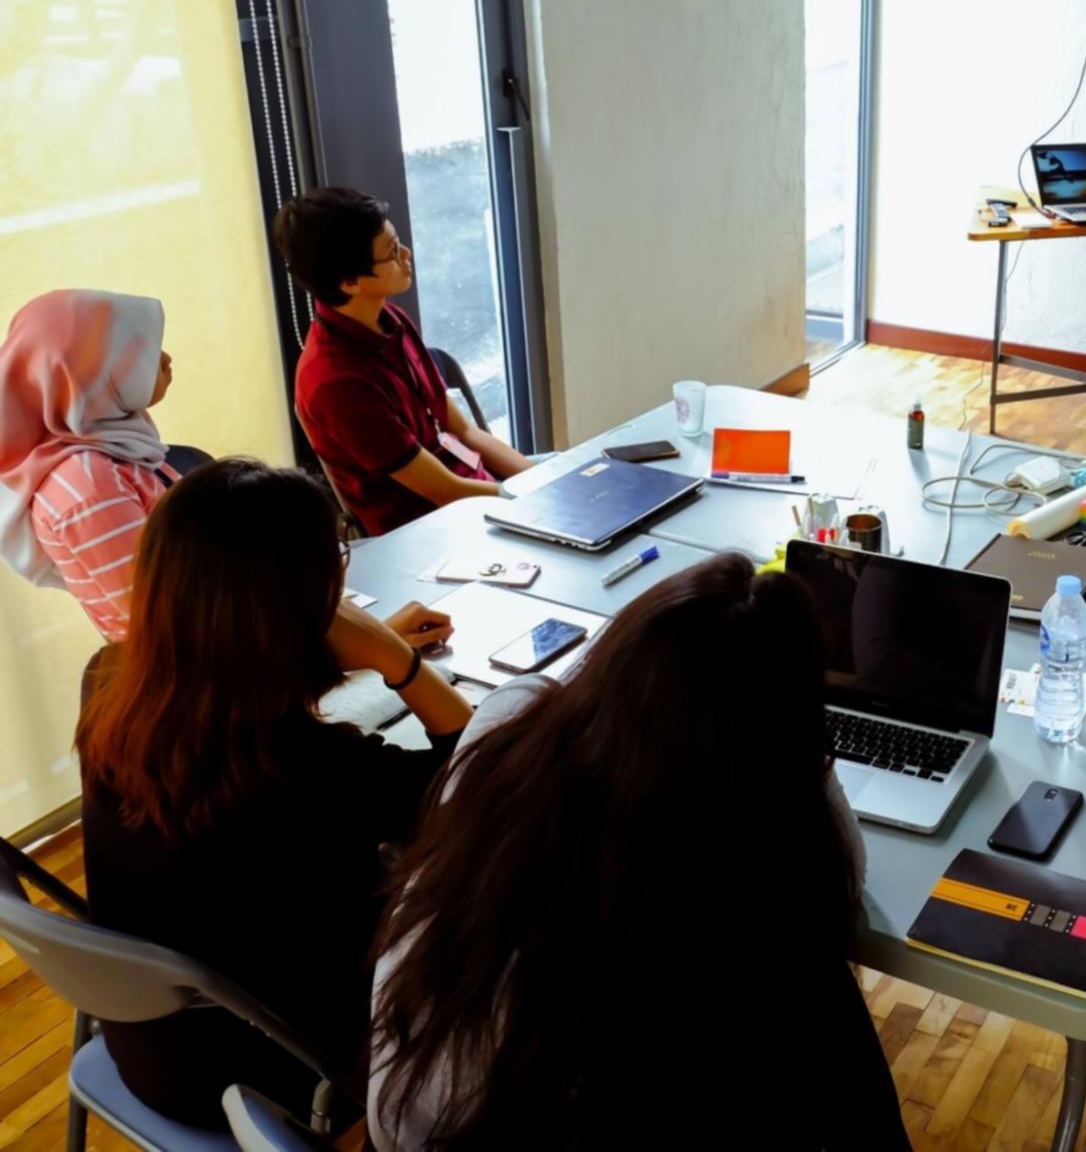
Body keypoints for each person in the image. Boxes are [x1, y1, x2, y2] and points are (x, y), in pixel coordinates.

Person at [368, 553, 906, 1151]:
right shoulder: (694, 886)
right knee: (813, 978)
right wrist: (800, 742)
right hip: (509, 1123)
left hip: (403, 1123)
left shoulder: (512, 725)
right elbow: (842, 873)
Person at [78, 458, 474, 1127]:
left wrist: (317, 655)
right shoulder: (307, 766)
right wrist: (394, 659)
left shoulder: (109, 684)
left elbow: (227, 695)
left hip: (149, 1040)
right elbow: (476, 781)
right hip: (271, 1070)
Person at [273, 187, 533, 536]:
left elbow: (465, 432)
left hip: (481, 492)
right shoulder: (336, 382)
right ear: (349, 282)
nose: (407, 254)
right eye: (393, 251)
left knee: (580, 475)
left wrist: (541, 481)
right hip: (432, 531)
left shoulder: (387, 317)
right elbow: (446, 492)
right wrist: (533, 499)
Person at [0, 290, 204, 639]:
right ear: (83, 374)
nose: (165, 358)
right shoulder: (86, 483)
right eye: (137, 350)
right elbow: (162, 611)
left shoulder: (115, 451)